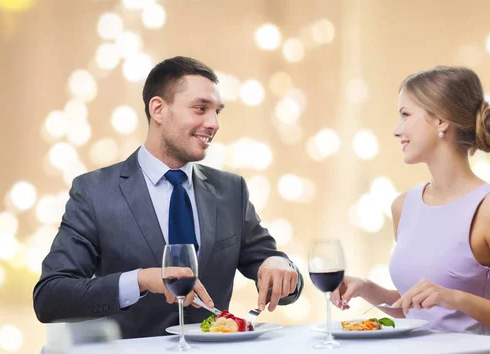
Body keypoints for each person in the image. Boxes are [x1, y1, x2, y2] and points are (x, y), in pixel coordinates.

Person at [33, 56, 303, 339]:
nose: (213, 123)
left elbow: (278, 277)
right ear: (158, 109)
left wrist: (279, 266)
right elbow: (50, 298)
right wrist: (141, 280)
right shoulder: (94, 192)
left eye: (217, 112)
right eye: (200, 108)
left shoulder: (230, 190)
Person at [331, 66, 490, 339]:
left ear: (442, 121)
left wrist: (456, 299)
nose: (397, 130)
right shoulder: (403, 206)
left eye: (406, 115)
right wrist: (367, 288)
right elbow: (418, 309)